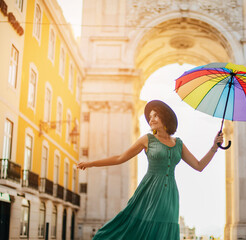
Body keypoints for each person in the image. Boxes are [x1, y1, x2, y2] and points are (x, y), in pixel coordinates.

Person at [77, 100, 223, 240]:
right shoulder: (147, 139)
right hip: (149, 191)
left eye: (155, 115)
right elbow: (119, 158)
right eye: (150, 116)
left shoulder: (178, 143)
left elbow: (199, 166)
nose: (151, 119)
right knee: (140, 228)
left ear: (165, 117)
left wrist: (214, 147)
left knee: (165, 229)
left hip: (170, 194)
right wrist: (91, 163)